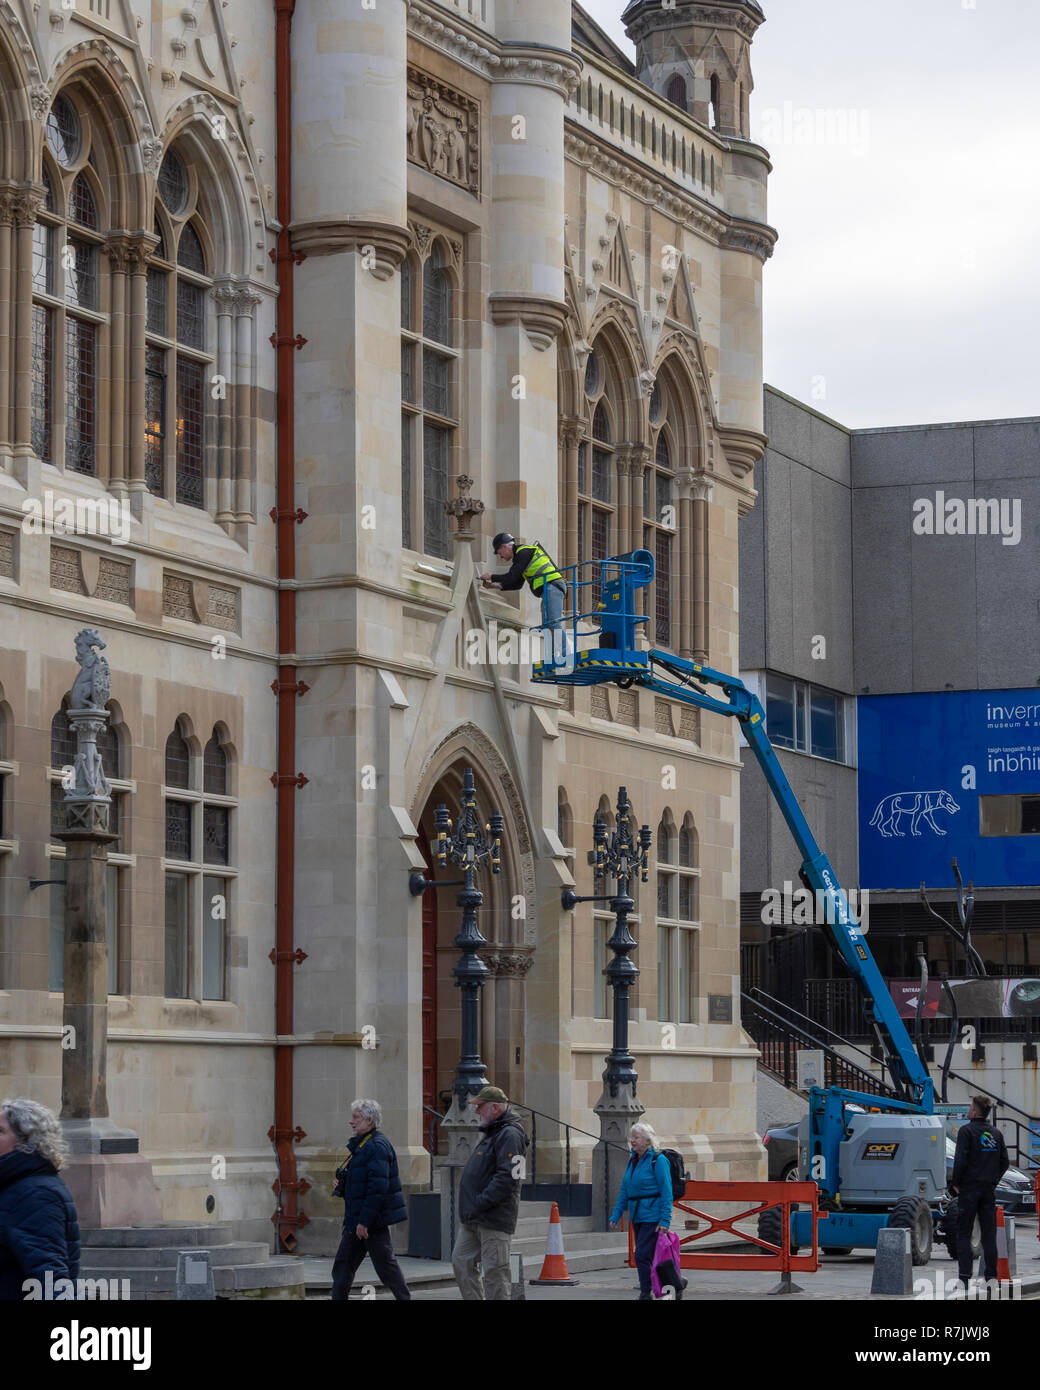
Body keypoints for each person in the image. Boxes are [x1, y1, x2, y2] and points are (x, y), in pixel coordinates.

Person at [452, 1085, 529, 1300]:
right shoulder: (492, 1132)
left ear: (494, 1108)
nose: (476, 1111)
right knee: (461, 1261)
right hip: (474, 1216)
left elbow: (511, 1177)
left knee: (495, 1272)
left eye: (480, 1107)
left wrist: (481, 1201)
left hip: (493, 1217)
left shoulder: (511, 1134)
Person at [0, 1098, 80, 1301]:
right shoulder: (10, 1184)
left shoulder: (36, 1193)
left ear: (26, 1141)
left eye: (0, 1131)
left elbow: (50, 1276)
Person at [330, 1098, 410, 1301]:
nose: (351, 1121)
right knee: (343, 1268)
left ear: (369, 1121)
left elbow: (378, 1188)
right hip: (358, 1220)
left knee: (386, 1270)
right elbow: (365, 1182)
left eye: (355, 1117)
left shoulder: (376, 1146)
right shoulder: (365, 1145)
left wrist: (364, 1221)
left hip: (368, 1222)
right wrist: (344, 1185)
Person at [608, 1121, 673, 1300]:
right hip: (637, 1216)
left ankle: (646, 1292)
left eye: (636, 1137)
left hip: (652, 1216)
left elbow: (667, 1191)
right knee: (651, 1256)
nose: (632, 1141)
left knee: (641, 1255)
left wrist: (665, 1220)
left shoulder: (658, 1161)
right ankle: (674, 1282)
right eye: (632, 1137)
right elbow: (625, 1190)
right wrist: (616, 1214)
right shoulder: (633, 1160)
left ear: (647, 1140)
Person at [480, 533, 568, 663]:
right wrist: (494, 586)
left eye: (500, 552)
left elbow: (512, 576)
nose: (501, 557)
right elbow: (517, 583)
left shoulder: (524, 552)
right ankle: (556, 655)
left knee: (553, 622)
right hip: (549, 589)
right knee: (549, 624)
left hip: (552, 586)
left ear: (505, 547)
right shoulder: (521, 558)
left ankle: (566, 655)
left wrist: (491, 576)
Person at [951, 1095, 1009, 1288]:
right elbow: (1005, 1162)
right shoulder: (996, 1133)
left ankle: (964, 1277)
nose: (968, 1109)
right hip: (987, 1190)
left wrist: (956, 1183)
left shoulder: (966, 1132)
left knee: (964, 1232)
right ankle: (991, 1277)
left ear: (974, 1112)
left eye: (970, 1107)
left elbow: (960, 1161)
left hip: (969, 1189)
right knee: (988, 1234)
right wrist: (993, 1181)